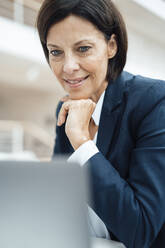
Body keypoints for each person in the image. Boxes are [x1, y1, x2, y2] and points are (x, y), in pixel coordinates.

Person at [36, 0, 165, 247]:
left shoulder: (153, 102)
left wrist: (82, 143)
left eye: (83, 49)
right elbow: (57, 204)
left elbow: (141, 230)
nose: (68, 67)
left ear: (111, 46)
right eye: (56, 52)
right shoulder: (65, 110)